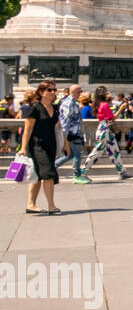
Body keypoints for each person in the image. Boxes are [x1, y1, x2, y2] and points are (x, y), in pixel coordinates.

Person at [20, 81, 66, 214]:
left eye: (54, 90)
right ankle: (52, 206)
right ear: (41, 92)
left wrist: (66, 144)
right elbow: (27, 130)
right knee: (48, 174)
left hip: (50, 145)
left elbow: (59, 127)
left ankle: (30, 204)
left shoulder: (55, 108)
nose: (53, 92)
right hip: (37, 146)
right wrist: (23, 148)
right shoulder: (35, 108)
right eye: (49, 90)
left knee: (38, 176)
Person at [81, 87, 133, 180]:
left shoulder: (101, 104)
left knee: (114, 151)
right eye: (106, 91)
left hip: (105, 129)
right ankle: (83, 172)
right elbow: (112, 118)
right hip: (105, 130)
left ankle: (122, 172)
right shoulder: (104, 105)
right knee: (97, 152)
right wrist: (121, 108)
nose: (108, 93)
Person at [54, 84, 89, 184]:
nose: (80, 94)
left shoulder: (72, 102)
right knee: (77, 154)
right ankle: (76, 176)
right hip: (72, 134)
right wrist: (65, 136)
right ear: (73, 92)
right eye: (79, 92)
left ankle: (53, 166)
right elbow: (65, 121)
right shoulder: (69, 103)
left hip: (74, 132)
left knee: (70, 155)